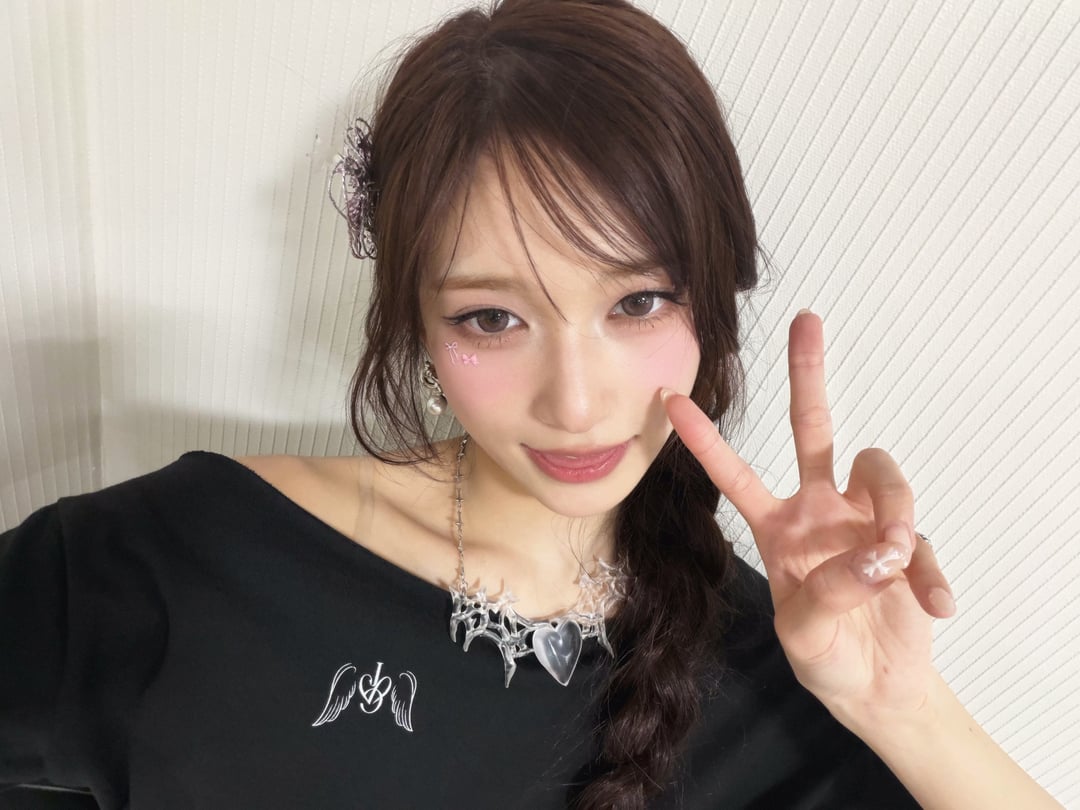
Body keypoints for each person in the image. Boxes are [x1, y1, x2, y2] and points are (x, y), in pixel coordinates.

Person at [0, 0, 1062, 808]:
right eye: (492, 318)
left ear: (711, 297)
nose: (577, 402)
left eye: (637, 302)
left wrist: (904, 709)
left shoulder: (786, 669)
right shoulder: (188, 563)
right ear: (417, 324)